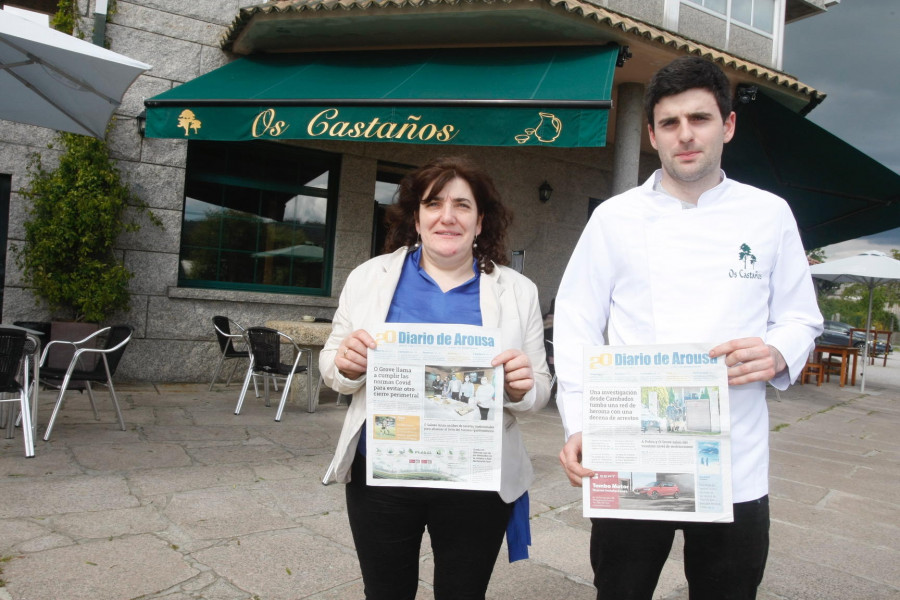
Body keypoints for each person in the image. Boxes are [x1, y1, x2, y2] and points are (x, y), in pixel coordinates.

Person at [554, 56, 823, 600]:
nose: (685, 136)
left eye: (699, 119)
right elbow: (577, 321)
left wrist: (777, 351)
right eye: (670, 123)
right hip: (631, 452)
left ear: (727, 125)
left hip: (733, 458)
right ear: (651, 135)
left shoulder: (769, 214)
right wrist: (579, 422)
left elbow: (801, 316)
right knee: (620, 590)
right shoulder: (615, 217)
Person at [320, 155, 551, 600]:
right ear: (417, 218)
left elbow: (538, 385)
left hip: (476, 478)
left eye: (462, 206)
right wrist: (345, 365)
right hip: (384, 473)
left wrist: (524, 387)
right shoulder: (369, 278)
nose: (448, 217)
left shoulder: (518, 292)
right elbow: (334, 366)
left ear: (481, 222)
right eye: (434, 204)